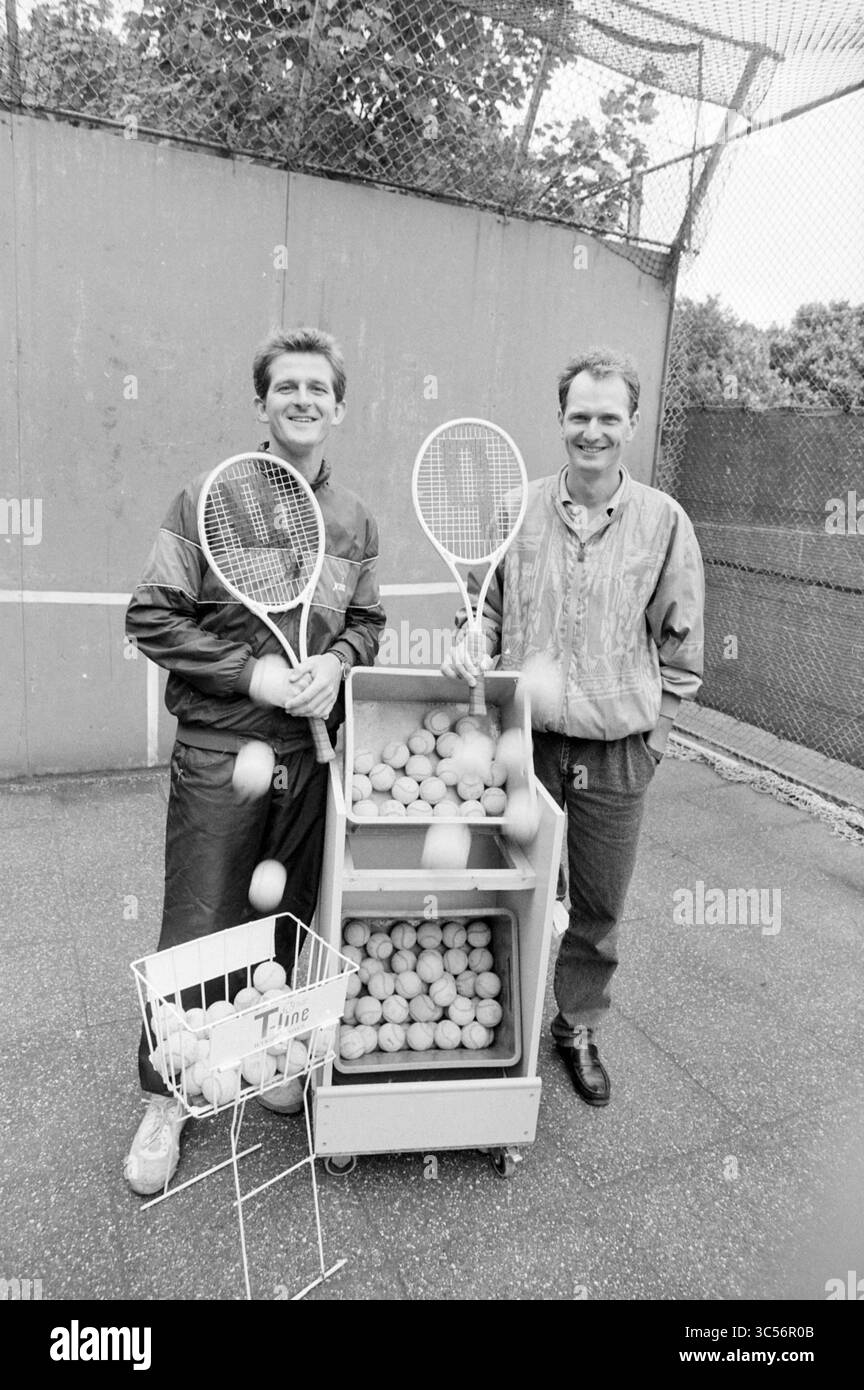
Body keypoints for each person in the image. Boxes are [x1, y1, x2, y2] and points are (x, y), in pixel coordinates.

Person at [123, 326, 385, 1193]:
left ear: (337, 405)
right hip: (218, 752)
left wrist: (337, 665)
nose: (303, 399)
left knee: (288, 921)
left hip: (309, 762)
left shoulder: (354, 519)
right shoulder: (207, 496)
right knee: (199, 928)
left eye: (319, 387)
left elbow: (367, 624)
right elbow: (152, 617)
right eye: (286, 387)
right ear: (263, 402)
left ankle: (263, 1056)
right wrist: (259, 675)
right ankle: (166, 1096)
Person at [443, 347, 704, 1107]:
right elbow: (479, 609)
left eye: (608, 417)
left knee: (597, 906)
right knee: (505, 886)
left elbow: (683, 646)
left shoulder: (663, 522)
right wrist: (469, 637)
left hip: (618, 752)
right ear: (560, 420)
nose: (593, 430)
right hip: (525, 742)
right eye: (579, 416)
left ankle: (576, 1025)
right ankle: (498, 1019)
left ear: (631, 424)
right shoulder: (515, 510)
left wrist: (656, 739)